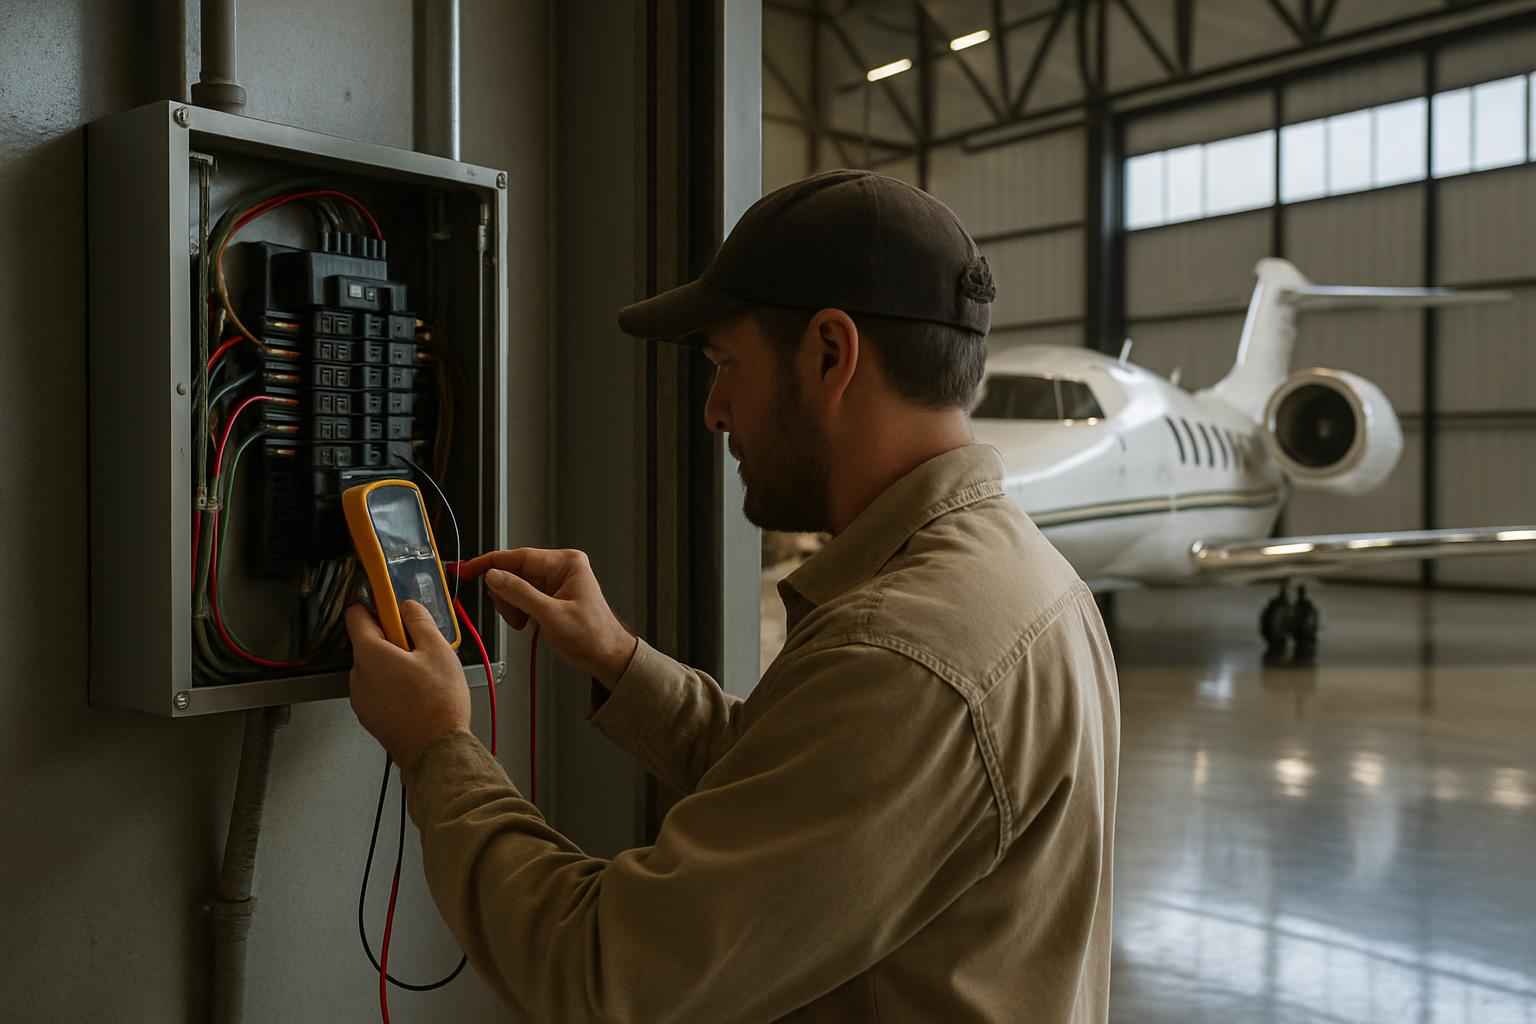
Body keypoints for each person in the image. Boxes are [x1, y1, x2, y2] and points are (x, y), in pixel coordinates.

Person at [346, 169, 1120, 1022]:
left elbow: (603, 973)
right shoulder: (1025, 579)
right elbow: (806, 789)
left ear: (831, 354)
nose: (715, 411)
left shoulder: (905, 653)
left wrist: (436, 748)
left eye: (726, 365)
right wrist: (621, 659)